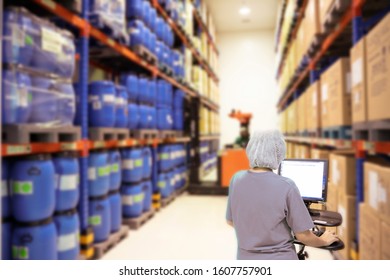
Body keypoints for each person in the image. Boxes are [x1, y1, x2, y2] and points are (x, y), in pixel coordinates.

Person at [226, 129, 339, 260]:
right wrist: (324, 240)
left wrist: (258, 232)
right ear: (278, 153)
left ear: (251, 149)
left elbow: (231, 221)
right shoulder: (286, 186)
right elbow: (304, 237)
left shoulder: (236, 179)